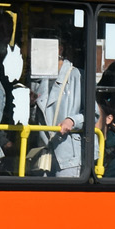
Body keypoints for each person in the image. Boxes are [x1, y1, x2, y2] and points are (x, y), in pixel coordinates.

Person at [30, 39, 83, 177]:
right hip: (43, 153)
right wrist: (30, 105)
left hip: (66, 155)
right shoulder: (37, 79)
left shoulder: (76, 75)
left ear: (59, 49)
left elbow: (93, 114)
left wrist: (72, 121)